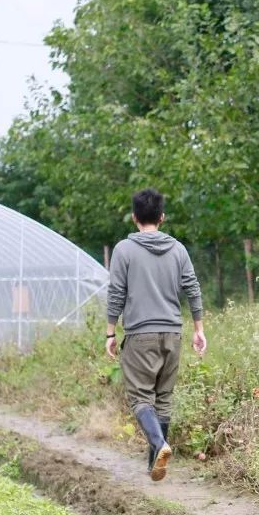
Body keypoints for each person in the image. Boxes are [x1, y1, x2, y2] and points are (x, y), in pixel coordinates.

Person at [106, 188, 206, 482]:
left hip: (140, 334)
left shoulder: (124, 249)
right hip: (172, 333)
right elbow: (192, 288)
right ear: (162, 217)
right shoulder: (178, 249)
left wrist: (110, 332)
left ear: (134, 217)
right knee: (163, 399)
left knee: (140, 398)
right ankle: (155, 463)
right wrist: (199, 328)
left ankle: (160, 445)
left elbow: (116, 293)